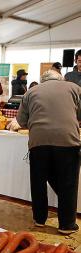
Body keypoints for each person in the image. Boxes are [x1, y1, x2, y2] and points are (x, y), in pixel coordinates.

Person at [17, 70, 81, 234]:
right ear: (60, 79)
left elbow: (21, 121)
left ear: (42, 81)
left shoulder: (31, 92)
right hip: (67, 141)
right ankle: (66, 225)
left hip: (38, 142)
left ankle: (39, 219)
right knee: (68, 183)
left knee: (38, 182)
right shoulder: (74, 88)